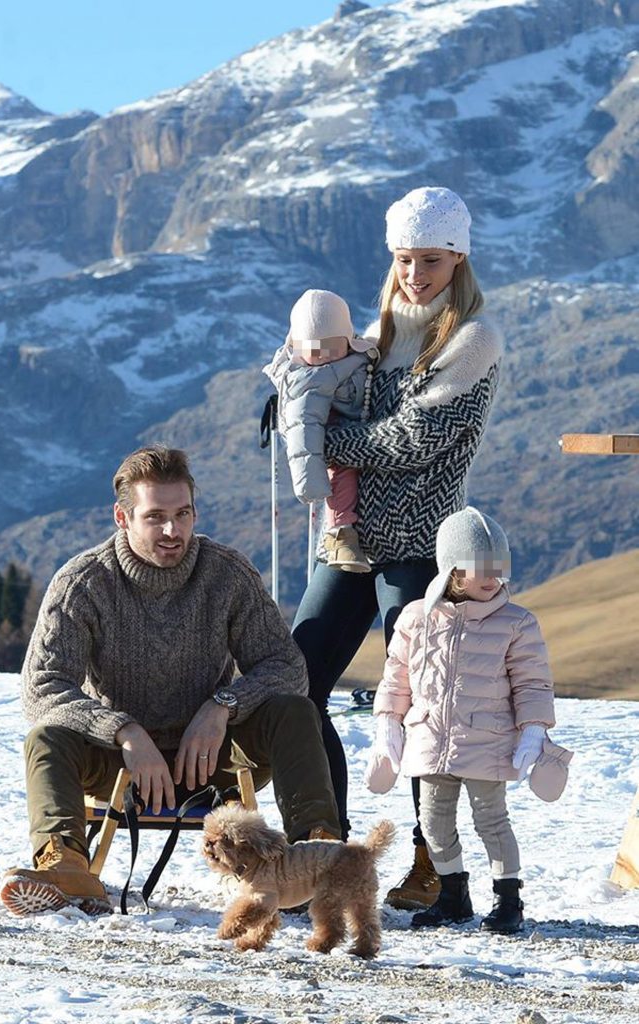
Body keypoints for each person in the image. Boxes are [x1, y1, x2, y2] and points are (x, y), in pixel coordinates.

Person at [0, 445, 341, 917]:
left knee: (294, 710)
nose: (172, 530)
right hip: (119, 765)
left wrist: (223, 705)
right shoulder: (83, 583)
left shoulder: (227, 574)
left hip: (212, 761)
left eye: (182, 514)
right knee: (46, 737)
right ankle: (66, 865)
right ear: (122, 517)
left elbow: (285, 666)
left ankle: (315, 860)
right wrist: (122, 730)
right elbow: (43, 686)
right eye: (155, 517)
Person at [291, 185, 504, 909]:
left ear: (458, 259)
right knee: (296, 684)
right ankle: (323, 849)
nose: (416, 274)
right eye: (405, 259)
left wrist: (321, 441)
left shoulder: (472, 340)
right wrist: (297, 409)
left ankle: (432, 865)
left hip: (418, 544)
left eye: (432, 260)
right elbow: (319, 388)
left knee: (419, 705)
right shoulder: (372, 338)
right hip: (348, 543)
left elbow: (415, 440)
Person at [364, 507, 557, 934]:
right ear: (452, 568)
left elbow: (533, 684)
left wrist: (534, 730)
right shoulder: (416, 618)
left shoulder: (517, 623)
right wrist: (389, 722)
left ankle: (508, 899)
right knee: (433, 822)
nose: (492, 577)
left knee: (492, 821)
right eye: (479, 567)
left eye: (498, 567)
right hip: (430, 739)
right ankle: (452, 895)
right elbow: (397, 676)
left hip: (488, 740)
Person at [263, 288, 379, 573]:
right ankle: (341, 536)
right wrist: (310, 484)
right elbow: (303, 432)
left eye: (329, 347)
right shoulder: (307, 382)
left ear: (348, 341)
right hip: (334, 441)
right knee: (342, 474)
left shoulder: (355, 357)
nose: (320, 355)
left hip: (359, 431)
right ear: (296, 345)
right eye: (312, 349)